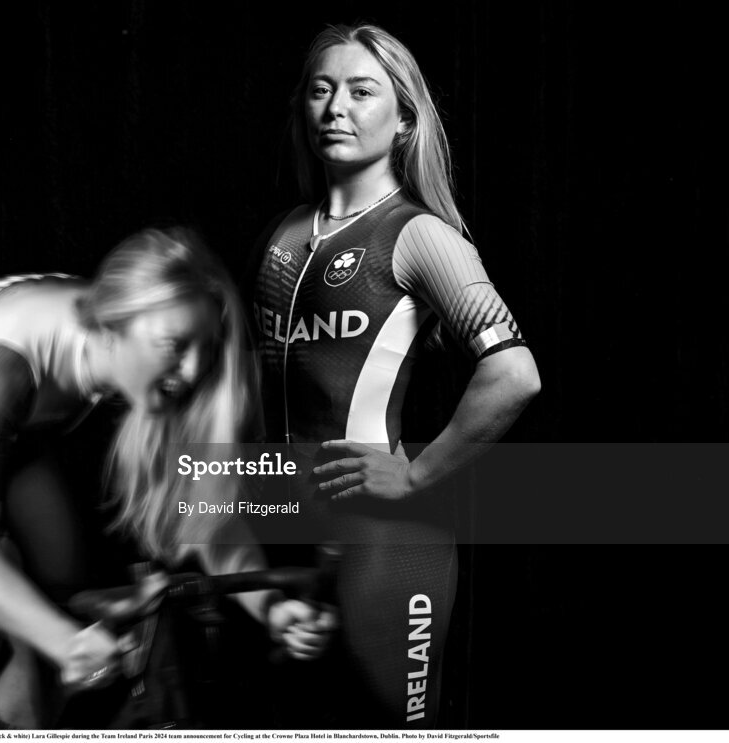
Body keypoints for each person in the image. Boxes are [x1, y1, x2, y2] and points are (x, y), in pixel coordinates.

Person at [0, 227, 333, 729]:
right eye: (176, 345)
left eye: (206, 347)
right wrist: (67, 644)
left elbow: (207, 515)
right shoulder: (2, 363)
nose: (195, 367)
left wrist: (268, 608)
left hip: (12, 432)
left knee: (57, 594)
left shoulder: (150, 365)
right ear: (112, 326)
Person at [249, 24, 541, 726]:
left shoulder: (418, 236)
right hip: (290, 530)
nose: (335, 109)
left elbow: (514, 374)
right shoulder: (284, 235)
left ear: (404, 119)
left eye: (360, 91)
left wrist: (413, 474)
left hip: (386, 539)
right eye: (320, 91)